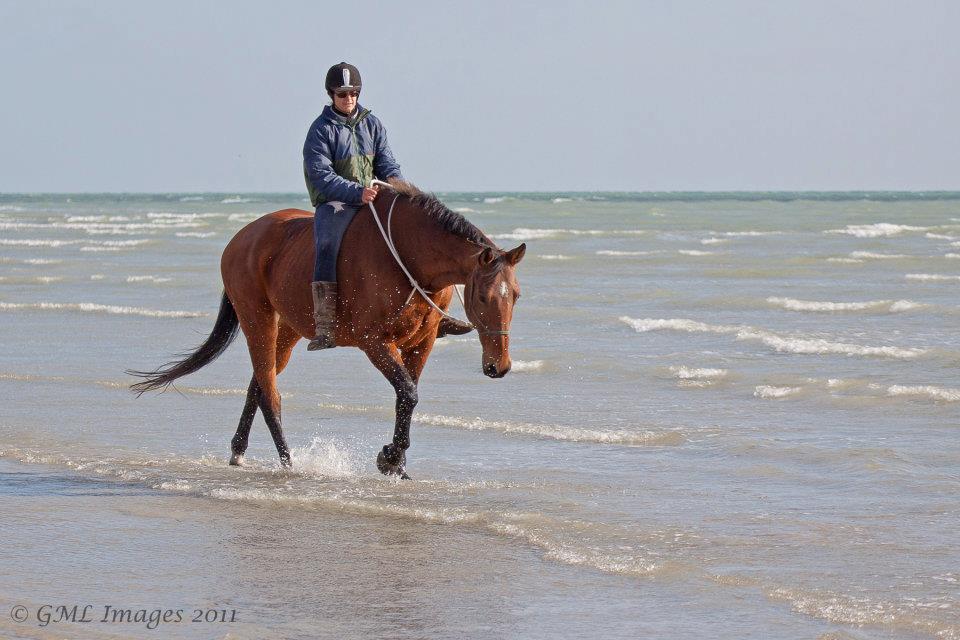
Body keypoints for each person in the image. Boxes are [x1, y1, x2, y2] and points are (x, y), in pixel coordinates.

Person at [302, 62, 404, 350]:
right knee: (327, 246)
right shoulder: (320, 130)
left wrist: (396, 182)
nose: (349, 99)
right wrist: (355, 192)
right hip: (335, 203)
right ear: (330, 94)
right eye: (342, 93)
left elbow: (386, 162)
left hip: (371, 196)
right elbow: (321, 176)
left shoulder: (373, 123)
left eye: (354, 93)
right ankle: (324, 326)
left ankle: (433, 313)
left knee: (407, 234)